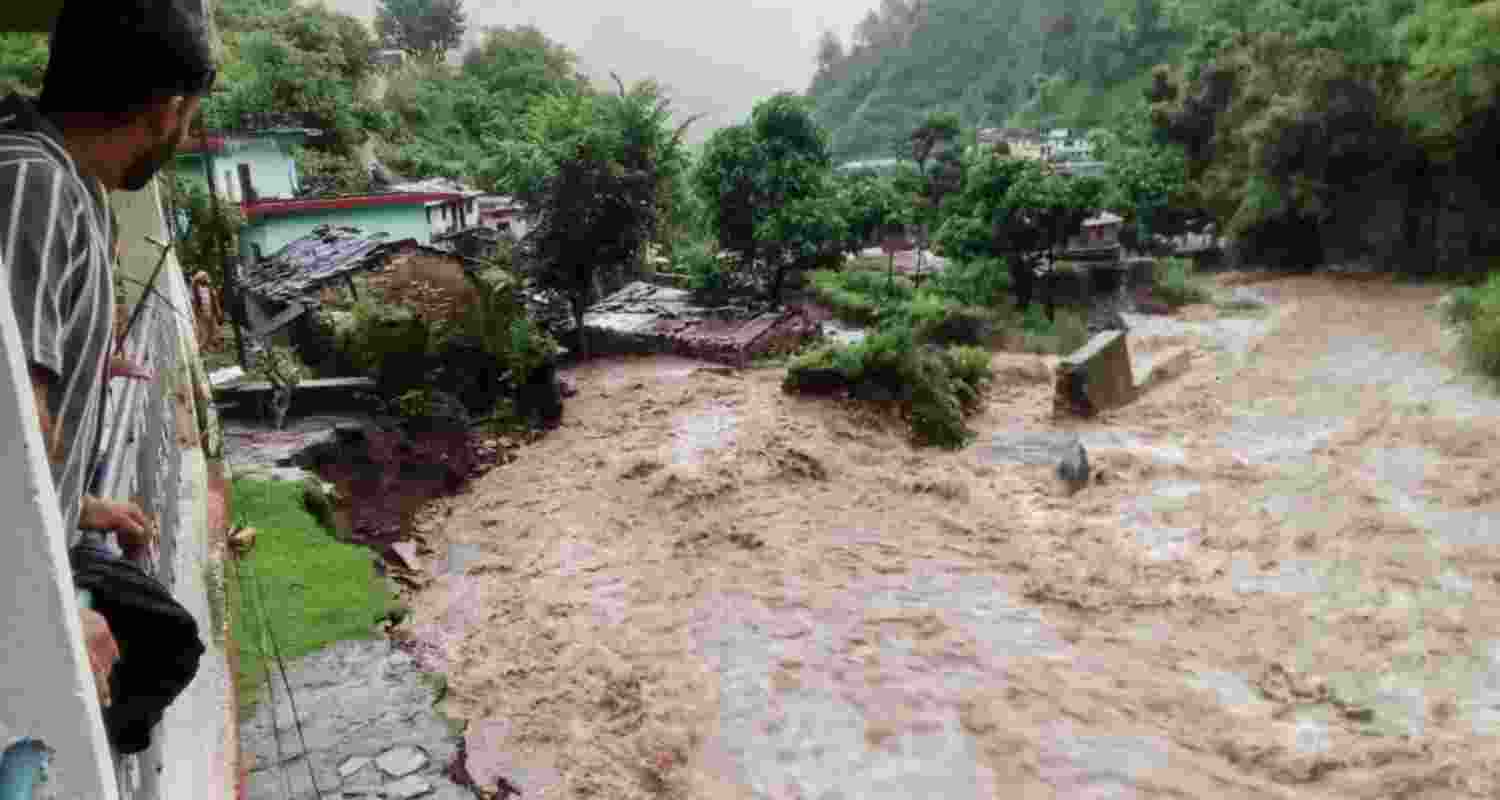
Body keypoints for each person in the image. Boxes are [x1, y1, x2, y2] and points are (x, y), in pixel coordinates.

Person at [0, 0, 217, 710]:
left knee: (165, 631)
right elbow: (10, 439)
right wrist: (62, 616)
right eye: (190, 120)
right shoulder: (32, 185)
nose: (184, 137)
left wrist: (83, 504)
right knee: (157, 650)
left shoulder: (68, 180)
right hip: (23, 588)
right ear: (168, 109)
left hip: (48, 544)